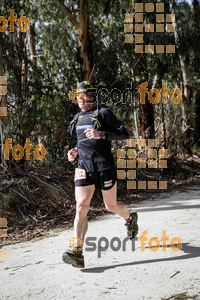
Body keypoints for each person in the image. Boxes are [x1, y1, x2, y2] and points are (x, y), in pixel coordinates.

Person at [62, 81, 138, 268]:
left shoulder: (103, 113)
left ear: (92, 96)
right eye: (77, 95)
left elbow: (123, 133)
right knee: (81, 205)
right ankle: (77, 252)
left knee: (111, 206)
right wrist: (73, 152)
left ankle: (129, 218)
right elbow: (81, 143)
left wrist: (101, 134)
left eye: (83, 95)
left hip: (104, 166)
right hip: (83, 166)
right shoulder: (77, 118)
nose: (80, 99)